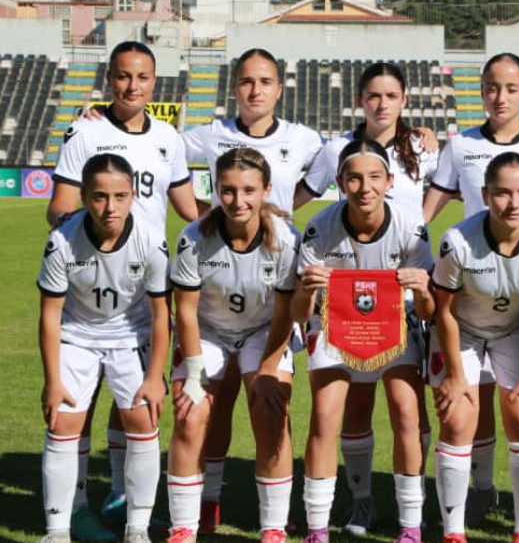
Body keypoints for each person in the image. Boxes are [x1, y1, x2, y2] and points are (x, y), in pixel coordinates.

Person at [47, 41, 199, 539]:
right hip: (91, 286)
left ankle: (119, 498)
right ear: (109, 78)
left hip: (145, 289)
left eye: (142, 77)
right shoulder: (86, 132)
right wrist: (101, 237)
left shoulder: (169, 138)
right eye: (122, 76)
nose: (132, 86)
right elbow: (59, 209)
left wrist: (243, 218)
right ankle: (75, 508)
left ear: (155, 82)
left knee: (133, 401)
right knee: (79, 402)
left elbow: (189, 210)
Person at [422, 52, 519, 530]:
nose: (500, 96)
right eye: (491, 87)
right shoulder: (459, 145)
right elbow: (426, 207)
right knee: (469, 405)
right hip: (470, 278)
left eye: (510, 88)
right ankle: (476, 493)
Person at [179, 48, 322, 533]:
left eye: (265, 81)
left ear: (280, 88)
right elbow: (157, 149)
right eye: (245, 81)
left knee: (269, 404)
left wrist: (419, 137)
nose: (255, 89)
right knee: (200, 409)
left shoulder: (303, 140)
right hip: (217, 314)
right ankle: (199, 511)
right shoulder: (211, 139)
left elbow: (342, 160)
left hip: (267, 301)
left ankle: (274, 526)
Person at [296, 62, 439, 537]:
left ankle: (411, 523)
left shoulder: (409, 225)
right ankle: (334, 518)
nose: (364, 187)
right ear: (340, 183)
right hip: (338, 329)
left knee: (405, 408)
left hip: (394, 326)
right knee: (330, 413)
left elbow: (431, 309)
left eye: (374, 178)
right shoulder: (319, 230)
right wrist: (304, 290)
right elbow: (300, 316)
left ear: (389, 182)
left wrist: (421, 291)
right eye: (353, 179)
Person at [166, 148, 300, 543]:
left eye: (248, 190)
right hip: (209, 331)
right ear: (215, 189)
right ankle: (184, 527)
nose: (237, 201)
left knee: (271, 410)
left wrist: (268, 369)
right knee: (191, 415)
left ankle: (274, 526)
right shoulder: (194, 237)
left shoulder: (285, 240)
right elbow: (186, 312)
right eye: (227, 190)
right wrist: (192, 374)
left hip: (264, 332)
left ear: (266, 191)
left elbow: (284, 313)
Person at [37, 154, 171, 543]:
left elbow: (162, 314)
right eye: (98, 197)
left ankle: (138, 530)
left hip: (132, 334)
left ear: (132, 196)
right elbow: (49, 316)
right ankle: (57, 531)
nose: (109, 207)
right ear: (83, 196)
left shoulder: (149, 238)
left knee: (143, 421)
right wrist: (52, 381)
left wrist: (154, 377)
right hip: (77, 334)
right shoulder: (61, 240)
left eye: (119, 196)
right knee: (62, 422)